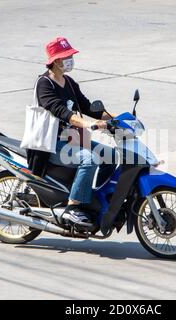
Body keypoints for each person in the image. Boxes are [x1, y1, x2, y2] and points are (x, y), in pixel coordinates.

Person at [26, 37, 115, 227]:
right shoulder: (44, 84)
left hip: (71, 140)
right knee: (89, 159)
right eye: (66, 56)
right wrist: (86, 124)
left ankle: (94, 198)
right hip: (50, 144)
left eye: (71, 55)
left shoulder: (69, 82)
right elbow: (60, 111)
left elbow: (89, 107)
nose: (70, 59)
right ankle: (72, 208)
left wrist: (118, 118)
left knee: (110, 155)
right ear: (55, 60)